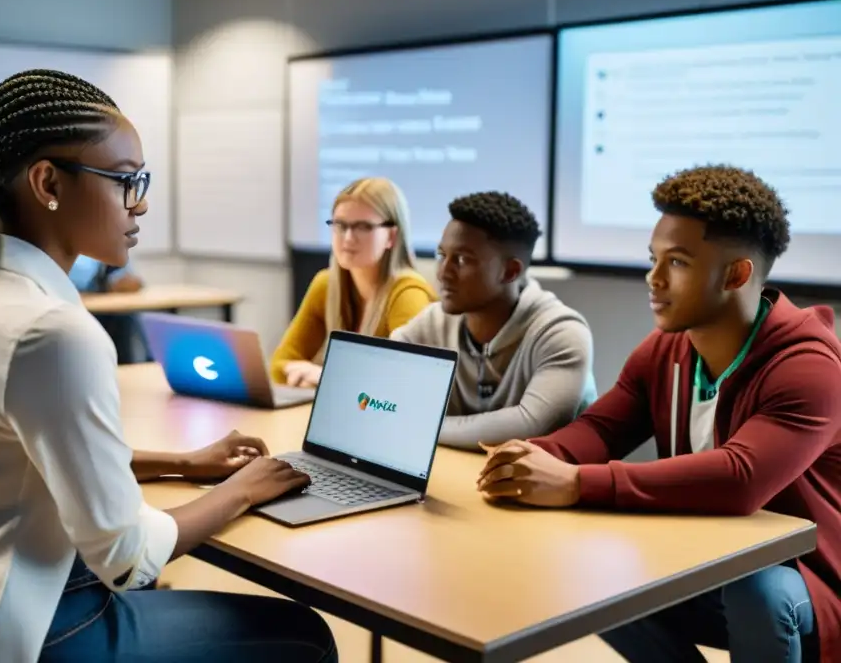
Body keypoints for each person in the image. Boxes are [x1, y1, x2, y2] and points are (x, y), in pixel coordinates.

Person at [0, 69, 337, 663]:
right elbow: (129, 558)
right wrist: (242, 490)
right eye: (126, 181)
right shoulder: (50, 330)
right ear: (47, 181)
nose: (142, 202)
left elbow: (30, 458)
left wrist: (181, 464)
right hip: (38, 632)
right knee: (307, 636)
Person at [477, 165, 841, 663]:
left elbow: (741, 479)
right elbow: (600, 429)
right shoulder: (665, 349)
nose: (653, 277)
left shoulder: (810, 365)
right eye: (653, 259)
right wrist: (530, 457)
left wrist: (576, 482)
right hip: (708, 563)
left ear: (736, 274)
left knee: (757, 589)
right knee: (595, 568)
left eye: (678, 262)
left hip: (811, 584)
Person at [391, 191, 596, 450]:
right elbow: (382, 388)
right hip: (466, 475)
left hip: (541, 487)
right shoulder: (433, 322)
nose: (443, 273)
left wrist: (422, 426)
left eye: (463, 260)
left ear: (510, 271)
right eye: (442, 255)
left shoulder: (561, 332)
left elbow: (531, 426)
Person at [270, 177, 436, 387]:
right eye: (340, 225)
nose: (348, 238)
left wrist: (327, 377)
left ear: (391, 237)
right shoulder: (326, 284)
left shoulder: (408, 294)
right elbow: (279, 365)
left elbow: (410, 379)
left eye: (364, 227)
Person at [68, 254, 150, 364]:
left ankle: (141, 368)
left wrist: (119, 283)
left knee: (125, 316)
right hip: (72, 315)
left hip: (102, 315)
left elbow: (129, 280)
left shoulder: (108, 246)